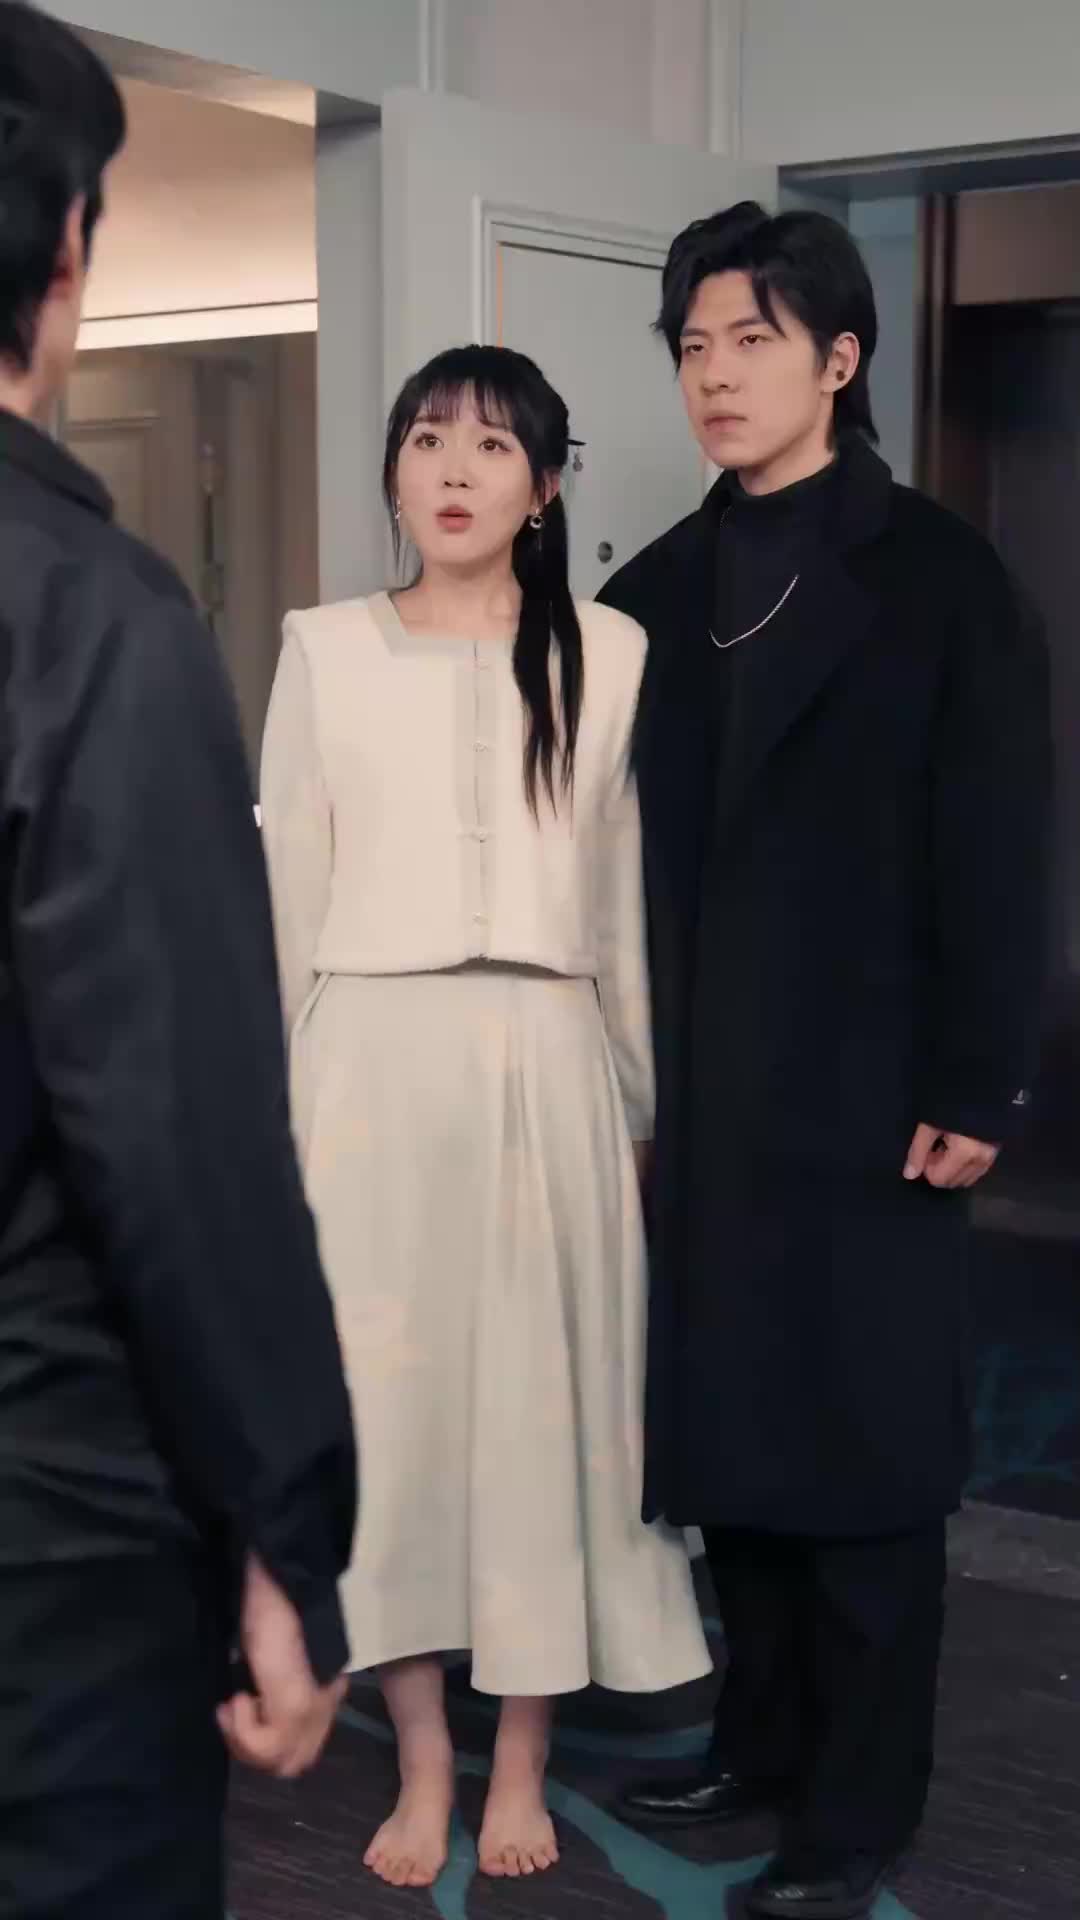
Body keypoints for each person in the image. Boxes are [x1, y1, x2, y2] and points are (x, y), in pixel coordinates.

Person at [597, 202, 1052, 1920]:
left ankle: (858, 1808)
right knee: (739, 1438)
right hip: (708, 1090)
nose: (715, 376)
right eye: (694, 347)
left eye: (753, 342)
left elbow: (1001, 844)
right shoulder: (651, 591)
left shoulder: (938, 575)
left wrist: (983, 1078)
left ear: (840, 359)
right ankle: (761, 1745)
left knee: (862, 1457)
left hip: (874, 1088)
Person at [259, 342, 711, 1890]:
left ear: (546, 484)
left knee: (543, 1412)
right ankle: (422, 1756)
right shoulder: (322, 647)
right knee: (386, 1416)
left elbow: (621, 907)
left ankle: (520, 1756)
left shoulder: (615, 653)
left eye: (493, 445)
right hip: (364, 1068)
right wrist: (270, 1122)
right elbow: (287, 895)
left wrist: (638, 1110)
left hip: (547, 1055)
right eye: (427, 439)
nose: (454, 470)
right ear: (393, 470)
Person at [0, 8, 356, 1916]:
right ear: (67, 251)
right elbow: (179, 1148)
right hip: (45, 1546)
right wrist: (287, 1530)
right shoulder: (90, 624)